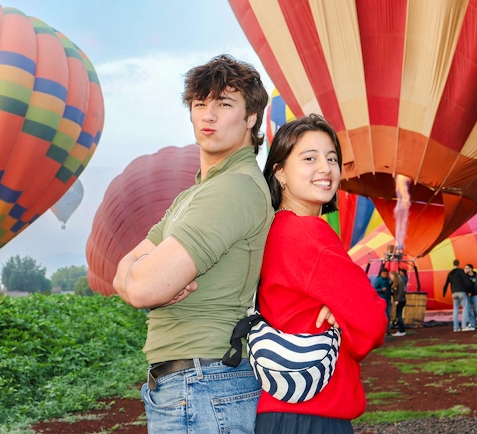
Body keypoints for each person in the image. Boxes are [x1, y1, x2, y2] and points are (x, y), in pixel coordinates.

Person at [112, 55, 273, 433]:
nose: (209, 115)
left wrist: (144, 279)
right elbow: (123, 275)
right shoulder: (195, 194)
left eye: (224, 104)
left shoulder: (233, 188)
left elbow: (141, 287)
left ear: (252, 117)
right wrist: (138, 277)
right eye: (200, 104)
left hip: (204, 385)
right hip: (190, 388)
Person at [256, 114, 387, 433]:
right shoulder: (308, 233)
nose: (325, 168)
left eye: (332, 158)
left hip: (279, 410)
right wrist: (345, 319)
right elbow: (373, 321)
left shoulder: (272, 230)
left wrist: (340, 311)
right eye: (309, 158)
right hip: (314, 415)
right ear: (280, 172)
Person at [443, 259, 473, 332]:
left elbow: (446, 283)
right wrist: (469, 290)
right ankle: (464, 326)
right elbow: (466, 281)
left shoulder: (450, 273)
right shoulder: (461, 271)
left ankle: (455, 327)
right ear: (459, 264)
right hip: (461, 292)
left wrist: (444, 292)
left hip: (454, 293)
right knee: (465, 308)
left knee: (455, 309)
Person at [374, 267, 393, 333]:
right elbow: (374, 289)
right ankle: (381, 330)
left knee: (388, 315)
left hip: (388, 300)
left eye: (386, 273)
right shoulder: (378, 280)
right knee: (382, 316)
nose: (385, 275)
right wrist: (381, 290)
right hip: (381, 301)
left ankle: (387, 329)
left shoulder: (388, 280)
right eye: (384, 273)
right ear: (381, 273)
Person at [391, 270, 407, 336]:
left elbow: (401, 292)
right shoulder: (395, 282)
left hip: (401, 301)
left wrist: (397, 300)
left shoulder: (400, 282)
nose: (390, 277)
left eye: (391, 276)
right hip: (400, 300)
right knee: (398, 315)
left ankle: (401, 330)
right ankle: (401, 329)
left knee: (399, 315)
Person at [464, 263, 477, 329]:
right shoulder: (464, 276)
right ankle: (472, 323)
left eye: (467, 268)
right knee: (468, 310)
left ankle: (473, 321)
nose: (465, 269)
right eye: (465, 268)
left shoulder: (476, 276)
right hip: (467, 295)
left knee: (476, 309)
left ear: (471, 269)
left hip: (474, 295)